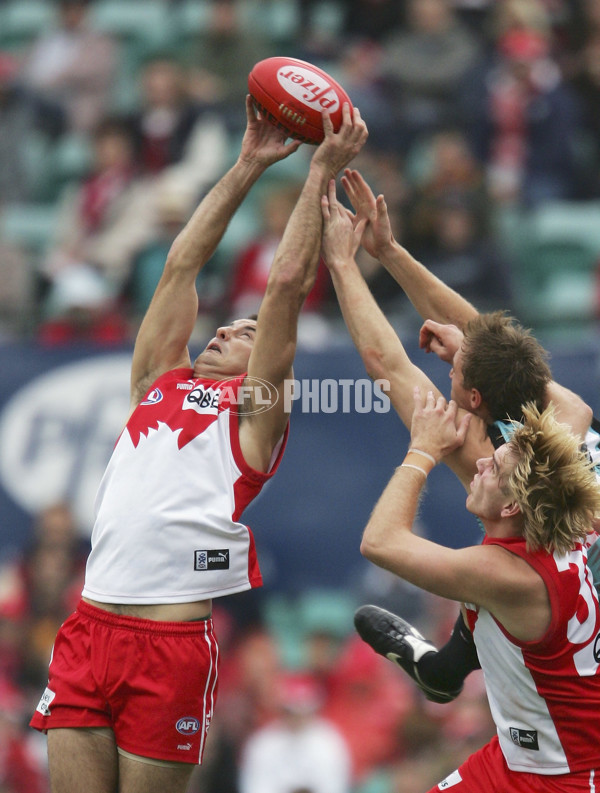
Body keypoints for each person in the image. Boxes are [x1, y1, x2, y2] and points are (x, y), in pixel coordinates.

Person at [29, 97, 368, 793]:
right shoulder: (158, 379)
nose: (222, 331)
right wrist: (245, 165)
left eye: (242, 332)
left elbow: (283, 286)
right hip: (88, 626)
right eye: (222, 328)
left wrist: (317, 174)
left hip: (168, 647)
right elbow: (181, 266)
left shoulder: (258, 415)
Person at [319, 171, 597, 702]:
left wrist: (342, 264)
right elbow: (497, 346)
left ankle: (447, 667)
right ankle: (449, 663)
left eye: (454, 369)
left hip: (569, 628)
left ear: (474, 401)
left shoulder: (503, 469)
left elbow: (390, 365)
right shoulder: (565, 416)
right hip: (581, 558)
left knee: (494, 561)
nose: (446, 357)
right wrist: (391, 252)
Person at [359, 387, 600, 790]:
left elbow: (379, 542)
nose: (482, 461)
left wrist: (422, 450)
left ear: (511, 508)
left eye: (495, 467)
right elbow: (576, 409)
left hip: (566, 777)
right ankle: (441, 670)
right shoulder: (555, 520)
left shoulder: (510, 574)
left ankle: (440, 670)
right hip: (513, 759)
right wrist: (471, 339)